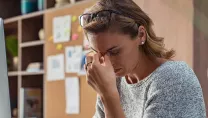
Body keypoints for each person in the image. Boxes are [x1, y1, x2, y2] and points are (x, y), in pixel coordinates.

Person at [79, 0, 206, 118]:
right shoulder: (115, 82)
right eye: (98, 53)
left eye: (114, 51)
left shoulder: (173, 78)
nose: (106, 63)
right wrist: (106, 94)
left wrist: (108, 96)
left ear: (141, 34)